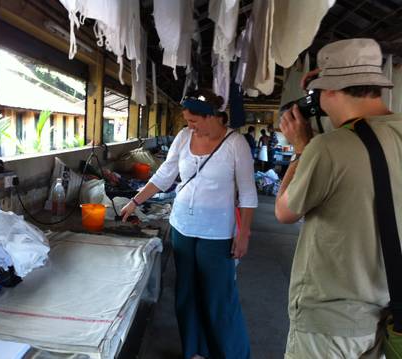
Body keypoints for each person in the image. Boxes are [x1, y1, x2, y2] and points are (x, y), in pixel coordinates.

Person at [275, 38, 400, 358]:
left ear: (329, 91)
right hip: (388, 313)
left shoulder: (329, 147)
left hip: (330, 325)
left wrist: (302, 148)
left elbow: (284, 212)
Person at [121, 89, 257, 359]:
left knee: (219, 299)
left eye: (194, 120)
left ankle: (231, 354)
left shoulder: (235, 143)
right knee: (186, 294)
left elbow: (248, 192)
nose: (189, 126)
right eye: (187, 121)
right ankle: (194, 351)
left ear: (212, 116)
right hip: (182, 226)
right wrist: (134, 202)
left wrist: (243, 234)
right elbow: (164, 175)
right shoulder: (184, 138)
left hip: (217, 233)